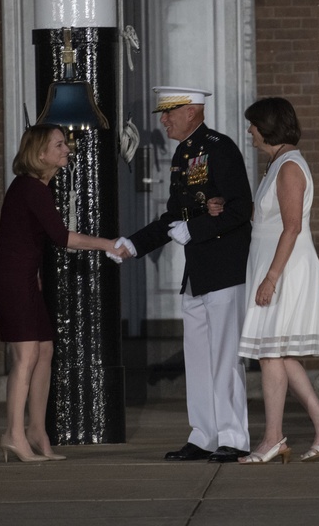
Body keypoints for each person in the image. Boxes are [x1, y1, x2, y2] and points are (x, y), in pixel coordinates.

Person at [115, 86, 252, 464]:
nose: (163, 120)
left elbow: (240, 209)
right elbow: (173, 216)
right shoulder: (183, 153)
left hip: (224, 268)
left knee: (225, 358)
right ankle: (204, 435)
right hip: (197, 272)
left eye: (169, 112)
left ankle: (234, 436)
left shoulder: (220, 148)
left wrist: (198, 230)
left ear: (192, 111)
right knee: (198, 358)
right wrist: (134, 244)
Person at [0, 123, 129, 463]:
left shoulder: (36, 188)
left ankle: (37, 430)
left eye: (65, 144)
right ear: (39, 154)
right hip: (11, 280)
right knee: (27, 357)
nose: (67, 149)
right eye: (59, 144)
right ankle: (13, 434)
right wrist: (108, 244)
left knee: (46, 350)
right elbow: (62, 238)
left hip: (22, 278)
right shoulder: (31, 188)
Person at [227, 96, 319, 464]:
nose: (249, 131)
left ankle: (273, 438)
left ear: (268, 126)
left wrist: (271, 278)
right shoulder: (276, 163)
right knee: (281, 354)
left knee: (270, 353)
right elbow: (269, 217)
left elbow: (292, 228)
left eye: (253, 124)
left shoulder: (290, 166)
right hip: (273, 264)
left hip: (286, 268)